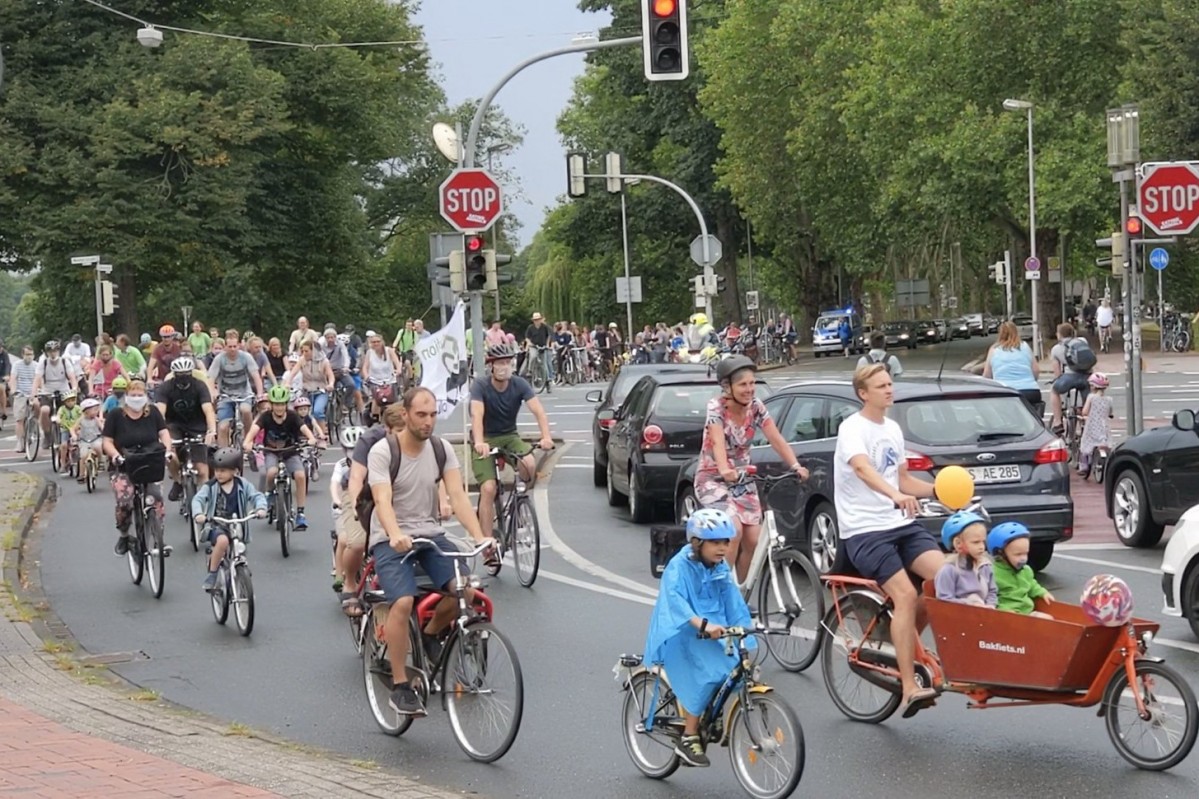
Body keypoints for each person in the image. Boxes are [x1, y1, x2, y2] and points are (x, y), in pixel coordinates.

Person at [367, 389, 492, 717]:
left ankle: (430, 633)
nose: (428, 421)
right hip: (390, 539)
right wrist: (394, 534)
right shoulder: (384, 451)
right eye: (422, 415)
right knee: (404, 601)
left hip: (431, 535)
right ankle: (401, 686)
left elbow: (458, 496)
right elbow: (381, 500)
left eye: (433, 415)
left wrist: (481, 537)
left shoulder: (441, 449)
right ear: (405, 415)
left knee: (466, 589)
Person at [834, 362, 941, 717]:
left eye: (890, 383)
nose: (889, 389)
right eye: (880, 386)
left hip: (900, 523)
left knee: (943, 579)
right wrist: (893, 496)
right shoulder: (852, 428)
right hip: (864, 529)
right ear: (863, 393)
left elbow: (904, 481)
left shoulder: (893, 428)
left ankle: (903, 644)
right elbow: (864, 469)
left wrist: (939, 489)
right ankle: (909, 686)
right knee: (906, 594)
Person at [644, 508, 754, 768]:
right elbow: (675, 602)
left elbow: (733, 602)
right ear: (697, 543)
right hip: (681, 630)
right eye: (715, 542)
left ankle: (712, 712)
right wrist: (701, 623)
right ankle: (689, 735)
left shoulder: (721, 567)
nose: (723, 548)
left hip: (714, 628)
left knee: (736, 663)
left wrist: (745, 627)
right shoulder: (679, 566)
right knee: (708, 671)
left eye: (726, 542)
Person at [695, 355, 808, 581]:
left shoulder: (756, 407)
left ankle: (740, 590)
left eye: (752, 383)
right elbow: (717, 440)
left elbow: (775, 438)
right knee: (733, 530)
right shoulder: (716, 408)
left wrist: (795, 464)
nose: (749, 389)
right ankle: (722, 589)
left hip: (743, 479)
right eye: (743, 384)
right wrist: (725, 469)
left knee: (754, 540)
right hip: (713, 478)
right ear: (728, 387)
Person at [470, 343, 554, 545]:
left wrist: (546, 437)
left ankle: (519, 501)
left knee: (529, 463)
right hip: (486, 439)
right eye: (500, 363)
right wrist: (480, 442)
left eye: (508, 362)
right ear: (491, 366)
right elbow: (476, 415)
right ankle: (487, 543)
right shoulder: (480, 385)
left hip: (510, 436)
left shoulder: (519, 384)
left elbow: (538, 411)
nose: (505, 366)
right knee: (488, 489)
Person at [101, 378, 174, 555]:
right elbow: (107, 441)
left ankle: (159, 540)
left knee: (156, 497)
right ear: (126, 396)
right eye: (132, 395)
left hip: (150, 461)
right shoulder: (116, 415)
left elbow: (163, 433)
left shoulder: (153, 413)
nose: (136, 398)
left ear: (145, 397)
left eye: (139, 395)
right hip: (125, 464)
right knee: (124, 501)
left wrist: (168, 450)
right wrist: (115, 455)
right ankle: (124, 535)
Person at [242, 383, 318, 530]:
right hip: (271, 451)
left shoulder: (292, 416)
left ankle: (300, 513)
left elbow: (304, 429)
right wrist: (247, 442)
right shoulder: (265, 417)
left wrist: (311, 438)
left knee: (301, 476)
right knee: (271, 472)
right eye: (276, 404)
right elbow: (254, 430)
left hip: (291, 451)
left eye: (282, 404)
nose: (279, 408)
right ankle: (269, 493)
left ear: (286, 404)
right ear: (271, 405)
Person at [192, 447, 269, 591]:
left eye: (223, 470)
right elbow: (198, 500)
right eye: (217, 470)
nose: (219, 474)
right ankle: (213, 574)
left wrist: (261, 508)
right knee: (223, 541)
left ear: (235, 471)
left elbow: (256, 496)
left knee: (240, 546)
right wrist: (198, 514)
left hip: (237, 524)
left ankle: (241, 571)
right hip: (217, 524)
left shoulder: (242, 484)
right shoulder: (211, 486)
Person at [156, 355, 217, 500]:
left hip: (197, 425)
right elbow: (160, 412)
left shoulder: (200, 386)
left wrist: (212, 430)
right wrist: (160, 432)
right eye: (180, 375)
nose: (183, 377)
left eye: (186, 374)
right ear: (174, 375)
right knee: (170, 456)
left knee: (202, 470)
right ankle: (177, 481)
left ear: (192, 373)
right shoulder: (165, 387)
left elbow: (208, 410)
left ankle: (205, 502)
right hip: (174, 425)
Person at [208, 330, 264, 447]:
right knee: (223, 426)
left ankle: (248, 440)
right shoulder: (220, 359)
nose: (233, 349)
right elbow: (211, 378)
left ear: (238, 345)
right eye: (230, 346)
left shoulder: (246, 357)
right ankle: (222, 454)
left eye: (235, 346)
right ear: (225, 347)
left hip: (244, 394)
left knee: (246, 410)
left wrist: (260, 393)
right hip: (226, 395)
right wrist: (212, 392)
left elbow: (256, 376)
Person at [988, 522, 1054, 619]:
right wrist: (1000, 609)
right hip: (1005, 615)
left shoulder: (1026, 570)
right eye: (1018, 554)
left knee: (1049, 620)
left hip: (1026, 611)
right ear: (1000, 554)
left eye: (1025, 553)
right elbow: (989, 596)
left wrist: (1042, 593)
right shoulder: (993, 573)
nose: (1023, 558)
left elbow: (1032, 584)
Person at [934, 511, 996, 607]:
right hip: (959, 617)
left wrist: (990, 606)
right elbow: (944, 599)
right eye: (976, 542)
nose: (982, 547)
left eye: (983, 542)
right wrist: (969, 604)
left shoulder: (985, 566)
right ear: (958, 544)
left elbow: (992, 592)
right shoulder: (949, 570)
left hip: (984, 615)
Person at [1048, 322, 1095, 434]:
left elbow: (1057, 373)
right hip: (1087, 377)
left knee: (1054, 390)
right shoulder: (1082, 341)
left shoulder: (1056, 349)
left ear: (1059, 335)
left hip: (1070, 377)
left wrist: (1057, 380)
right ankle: (1087, 422)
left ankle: (1058, 422)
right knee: (1087, 402)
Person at [285, 339, 335, 439]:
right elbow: (293, 373)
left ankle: (323, 435)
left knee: (317, 411)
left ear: (314, 351)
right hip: (306, 390)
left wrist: (331, 384)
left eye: (306, 351)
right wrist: (287, 382)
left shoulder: (324, 361)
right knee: (298, 410)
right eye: (302, 351)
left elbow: (330, 375)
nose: (304, 353)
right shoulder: (302, 360)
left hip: (321, 390)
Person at [33, 341, 79, 439]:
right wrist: (34, 395)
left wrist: (74, 390)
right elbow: (37, 379)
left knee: (69, 412)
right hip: (47, 392)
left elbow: (72, 378)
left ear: (58, 351)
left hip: (64, 392)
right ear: (47, 352)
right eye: (50, 351)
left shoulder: (64, 362)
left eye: (55, 351)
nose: (53, 353)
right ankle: (47, 434)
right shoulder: (43, 363)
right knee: (44, 411)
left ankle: (70, 434)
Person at [320, 328, 363, 415]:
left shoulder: (340, 344)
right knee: (324, 388)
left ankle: (345, 404)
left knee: (351, 385)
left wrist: (346, 367)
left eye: (332, 337)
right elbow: (318, 357)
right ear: (325, 338)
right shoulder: (321, 345)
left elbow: (345, 356)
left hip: (340, 370)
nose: (330, 340)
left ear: (335, 337)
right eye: (328, 338)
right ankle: (325, 408)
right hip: (327, 371)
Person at [361, 331, 402, 422]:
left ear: (382, 342)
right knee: (376, 399)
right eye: (373, 342)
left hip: (389, 379)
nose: (376, 344)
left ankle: (392, 419)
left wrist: (398, 370)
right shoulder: (369, 353)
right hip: (375, 380)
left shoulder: (389, 351)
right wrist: (366, 376)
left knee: (392, 401)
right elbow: (365, 367)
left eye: (378, 341)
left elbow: (396, 362)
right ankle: (375, 419)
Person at [1079, 372, 1114, 476]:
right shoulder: (1109, 399)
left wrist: (1084, 415)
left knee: (1085, 443)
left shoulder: (1091, 397)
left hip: (1092, 425)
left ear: (1094, 386)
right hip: (1104, 426)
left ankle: (1084, 465)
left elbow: (1085, 412)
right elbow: (1110, 413)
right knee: (1103, 443)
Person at [9, 346, 37, 453]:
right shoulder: (17, 365)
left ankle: (33, 430)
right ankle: (20, 442)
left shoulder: (36, 365)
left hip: (33, 393)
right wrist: (13, 390)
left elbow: (39, 379)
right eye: (27, 354)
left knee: (37, 408)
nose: (29, 357)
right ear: (22, 355)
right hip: (20, 393)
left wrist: (38, 391)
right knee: (19, 419)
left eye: (31, 354)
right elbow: (13, 378)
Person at [74, 397, 105, 479]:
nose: (96, 412)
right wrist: (75, 434)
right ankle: (81, 474)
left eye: (97, 410)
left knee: (98, 447)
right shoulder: (81, 420)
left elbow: (102, 427)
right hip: (84, 440)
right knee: (83, 456)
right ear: (86, 411)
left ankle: (101, 461)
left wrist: (104, 431)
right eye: (94, 410)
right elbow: (75, 428)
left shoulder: (96, 419)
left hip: (95, 438)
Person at [55, 390, 83, 476]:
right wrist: (58, 419)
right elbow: (59, 416)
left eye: (73, 400)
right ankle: (63, 464)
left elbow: (82, 415)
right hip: (65, 429)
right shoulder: (62, 409)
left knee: (81, 440)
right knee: (64, 445)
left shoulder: (77, 408)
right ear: (64, 402)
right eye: (68, 401)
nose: (71, 403)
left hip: (76, 428)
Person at [146, 324, 182, 389]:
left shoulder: (178, 348)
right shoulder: (157, 348)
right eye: (164, 337)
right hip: (161, 379)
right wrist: (149, 378)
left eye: (168, 337)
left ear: (172, 337)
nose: (166, 339)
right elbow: (150, 365)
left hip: (176, 377)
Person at [523, 312, 553, 387]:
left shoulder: (544, 327)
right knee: (533, 356)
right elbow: (527, 337)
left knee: (543, 364)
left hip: (542, 346)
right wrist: (529, 343)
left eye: (538, 319)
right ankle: (530, 371)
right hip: (533, 346)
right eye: (535, 320)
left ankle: (547, 380)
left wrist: (547, 344)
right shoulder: (530, 327)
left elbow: (548, 336)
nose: (537, 321)